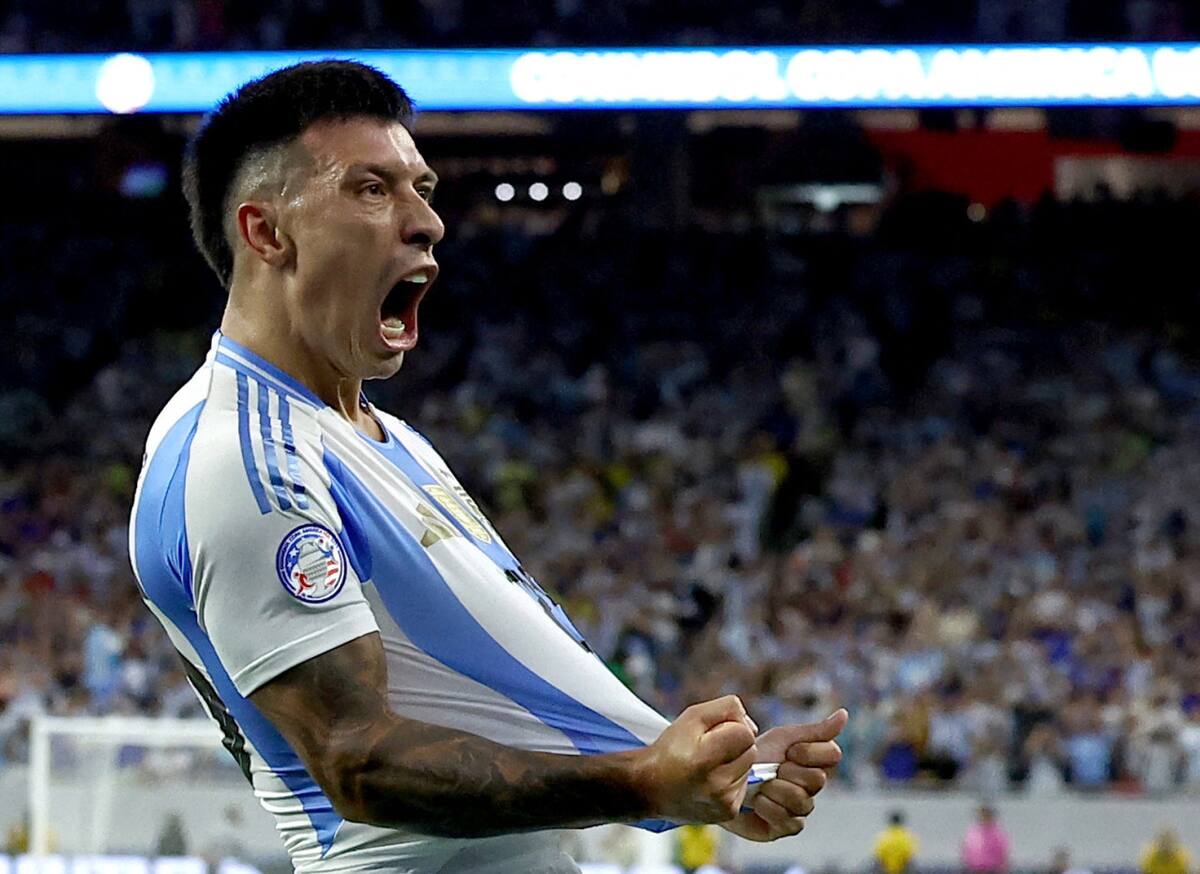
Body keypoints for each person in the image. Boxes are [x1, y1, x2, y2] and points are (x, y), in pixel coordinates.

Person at [129, 60, 848, 873]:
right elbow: (360, 762)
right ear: (266, 233)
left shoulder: (384, 440)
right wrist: (646, 783)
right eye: (372, 189)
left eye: (423, 188)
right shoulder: (241, 458)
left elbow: (493, 692)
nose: (426, 222)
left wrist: (706, 773)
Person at [961, 805, 1010, 874]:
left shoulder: (997, 833)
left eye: (986, 815)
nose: (984, 818)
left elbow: (1003, 852)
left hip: (992, 869)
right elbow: (966, 849)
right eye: (982, 815)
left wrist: (1002, 867)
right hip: (974, 869)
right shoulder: (972, 832)